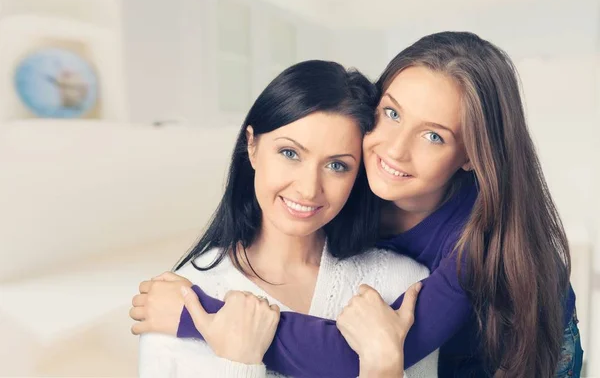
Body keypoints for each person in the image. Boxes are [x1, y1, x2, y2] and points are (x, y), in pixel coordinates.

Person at [134, 32, 582, 377]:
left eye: (433, 136)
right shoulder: (357, 167)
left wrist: (203, 317)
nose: (394, 150)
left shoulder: (477, 239)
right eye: (391, 113)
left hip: (517, 347)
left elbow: (372, 354)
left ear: (471, 156)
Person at [132, 60, 438, 377]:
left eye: (337, 166)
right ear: (252, 145)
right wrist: (240, 362)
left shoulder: (400, 285)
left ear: (357, 175)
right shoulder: (181, 299)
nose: (308, 189)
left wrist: (384, 364)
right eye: (290, 153)